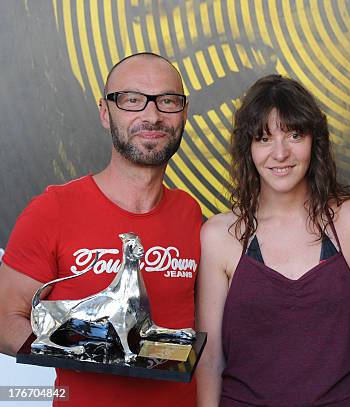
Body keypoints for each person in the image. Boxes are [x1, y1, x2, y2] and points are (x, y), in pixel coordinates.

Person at [0, 52, 202, 406]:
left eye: (167, 101)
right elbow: (3, 318)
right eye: (132, 100)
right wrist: (81, 352)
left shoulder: (191, 214)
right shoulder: (53, 210)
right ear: (105, 113)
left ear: (183, 113)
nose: (151, 115)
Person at [196, 74, 350, 406]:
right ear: (249, 149)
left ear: (315, 141)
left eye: (294, 134)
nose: (281, 153)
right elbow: (210, 359)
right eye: (264, 138)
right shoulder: (219, 235)